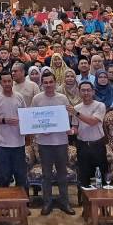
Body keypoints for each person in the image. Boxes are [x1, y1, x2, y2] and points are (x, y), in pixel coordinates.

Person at [31, 73, 75, 215]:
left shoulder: (62, 98)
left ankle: (65, 202)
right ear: (42, 84)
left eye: (51, 82)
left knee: (62, 173)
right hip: (44, 143)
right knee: (46, 175)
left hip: (61, 141)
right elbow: (33, 119)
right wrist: (41, 129)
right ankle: (47, 203)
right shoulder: (37, 99)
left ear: (55, 83)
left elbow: (68, 117)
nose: (48, 85)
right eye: (46, 82)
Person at [0, 71, 28, 192]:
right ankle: (4, 207)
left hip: (19, 143)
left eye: (9, 81)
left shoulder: (19, 97)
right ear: (0, 83)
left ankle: (23, 206)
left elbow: (25, 116)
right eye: (4, 81)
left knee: (21, 176)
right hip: (2, 144)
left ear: (12, 82)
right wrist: (5, 120)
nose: (7, 83)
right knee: (3, 176)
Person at [74, 81, 106, 188]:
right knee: (84, 177)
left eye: (88, 90)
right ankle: (86, 203)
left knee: (101, 177)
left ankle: (102, 203)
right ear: (79, 92)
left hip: (97, 145)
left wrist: (76, 113)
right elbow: (75, 127)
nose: (86, 93)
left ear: (93, 92)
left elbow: (92, 122)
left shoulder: (100, 105)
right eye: (83, 90)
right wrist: (68, 131)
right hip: (82, 146)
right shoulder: (77, 108)